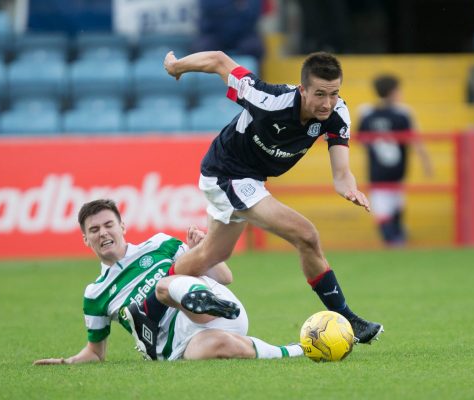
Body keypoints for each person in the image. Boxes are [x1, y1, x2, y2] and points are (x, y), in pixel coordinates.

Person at [158, 50, 383, 345]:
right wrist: (177, 67)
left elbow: (341, 175)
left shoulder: (337, 112)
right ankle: (348, 319)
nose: (327, 103)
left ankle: (152, 299)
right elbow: (218, 60)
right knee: (306, 235)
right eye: (319, 94)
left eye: (333, 93)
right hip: (226, 172)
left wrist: (349, 189)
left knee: (212, 256)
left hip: (251, 180)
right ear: (302, 89)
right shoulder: (268, 99)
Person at [33, 199, 303, 364]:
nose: (103, 233)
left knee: (163, 286)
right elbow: (96, 352)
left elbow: (225, 277)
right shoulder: (95, 294)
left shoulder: (160, 244)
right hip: (179, 346)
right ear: (85, 239)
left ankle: (199, 301)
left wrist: (203, 251)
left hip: (214, 309)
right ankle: (295, 351)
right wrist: (67, 361)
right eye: (94, 230)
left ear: (122, 226)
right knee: (222, 347)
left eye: (108, 225)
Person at [357, 74, 433, 246]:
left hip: (377, 170)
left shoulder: (367, 114)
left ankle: (396, 236)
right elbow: (416, 140)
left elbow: (359, 139)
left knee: (388, 205)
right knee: (390, 205)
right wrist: (426, 163)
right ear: (393, 92)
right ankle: (394, 239)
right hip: (398, 169)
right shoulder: (403, 114)